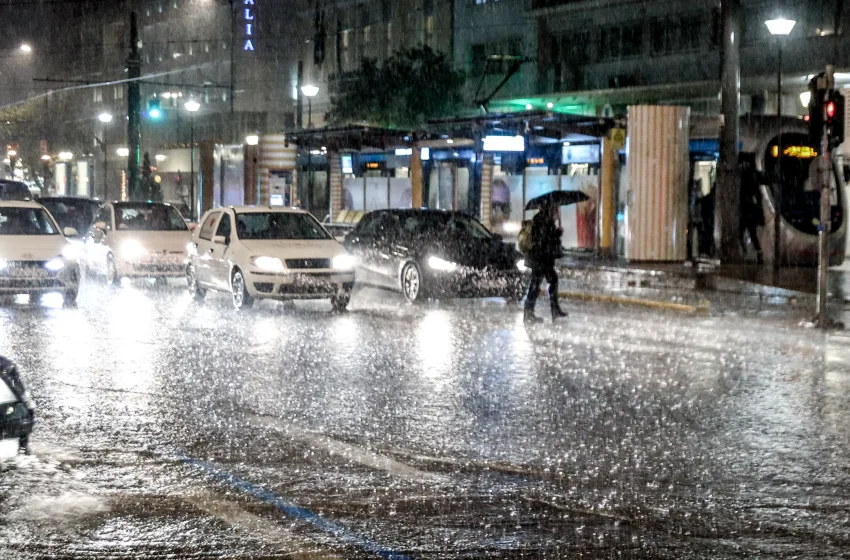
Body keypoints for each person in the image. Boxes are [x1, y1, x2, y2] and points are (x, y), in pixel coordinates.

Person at [523, 202, 568, 324]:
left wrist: (555, 232)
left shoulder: (542, 219)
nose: (557, 210)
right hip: (541, 258)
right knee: (537, 283)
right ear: (550, 208)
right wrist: (557, 234)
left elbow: (545, 238)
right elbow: (544, 240)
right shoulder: (544, 220)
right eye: (555, 208)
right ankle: (529, 312)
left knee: (547, 281)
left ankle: (552, 309)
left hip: (541, 258)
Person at [739, 154, 764, 264]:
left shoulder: (746, 177)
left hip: (747, 212)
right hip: (749, 212)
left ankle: (749, 253)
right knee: (750, 234)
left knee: (746, 233)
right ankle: (755, 253)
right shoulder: (753, 176)